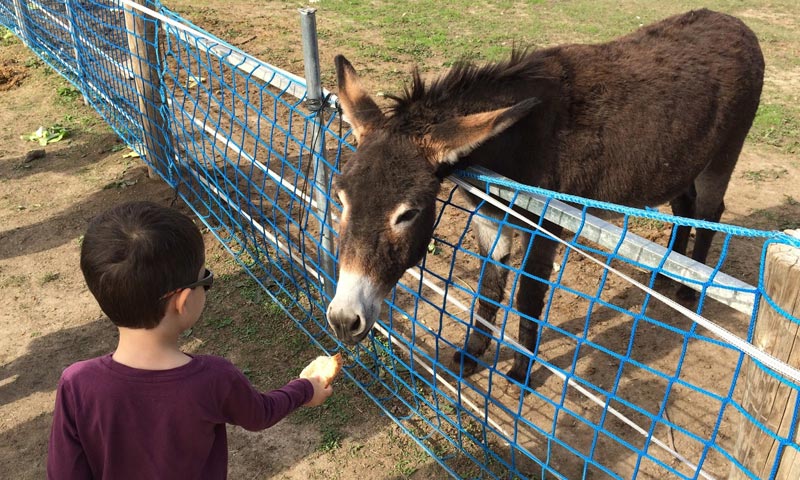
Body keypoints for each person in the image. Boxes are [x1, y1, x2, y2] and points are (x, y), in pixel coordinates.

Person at [47, 201, 333, 479]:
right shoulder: (214, 378)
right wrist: (305, 389)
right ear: (183, 301)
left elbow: (64, 473)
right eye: (204, 279)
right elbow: (260, 414)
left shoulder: (77, 384)